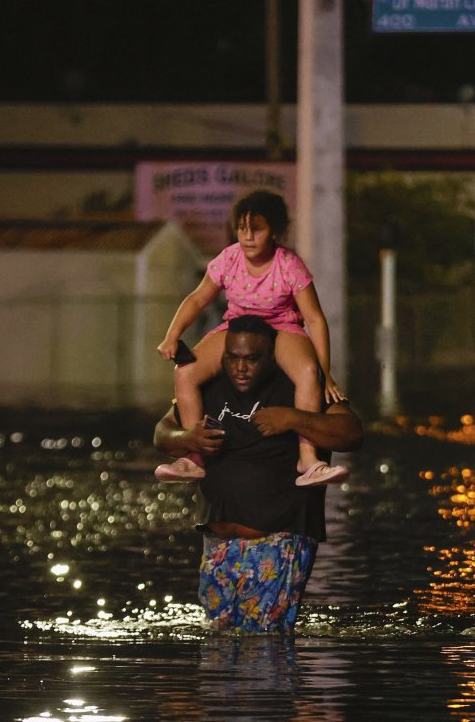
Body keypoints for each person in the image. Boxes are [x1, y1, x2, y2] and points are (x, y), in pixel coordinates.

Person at [153, 315, 363, 634]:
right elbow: (163, 431)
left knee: (264, 644)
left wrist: (294, 419)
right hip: (219, 543)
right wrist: (187, 439)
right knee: (219, 640)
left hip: (278, 540)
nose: (241, 367)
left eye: (252, 359)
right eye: (233, 357)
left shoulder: (302, 386)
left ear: (272, 358)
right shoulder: (207, 385)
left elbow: (350, 432)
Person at [156, 190, 346, 487]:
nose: (248, 236)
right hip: (238, 328)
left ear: (275, 231)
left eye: (256, 228)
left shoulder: (289, 264)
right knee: (185, 371)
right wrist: (172, 335)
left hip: (280, 327)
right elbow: (197, 299)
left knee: (309, 373)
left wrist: (327, 373)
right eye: (242, 228)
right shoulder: (229, 258)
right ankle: (194, 457)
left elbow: (314, 319)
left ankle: (307, 458)